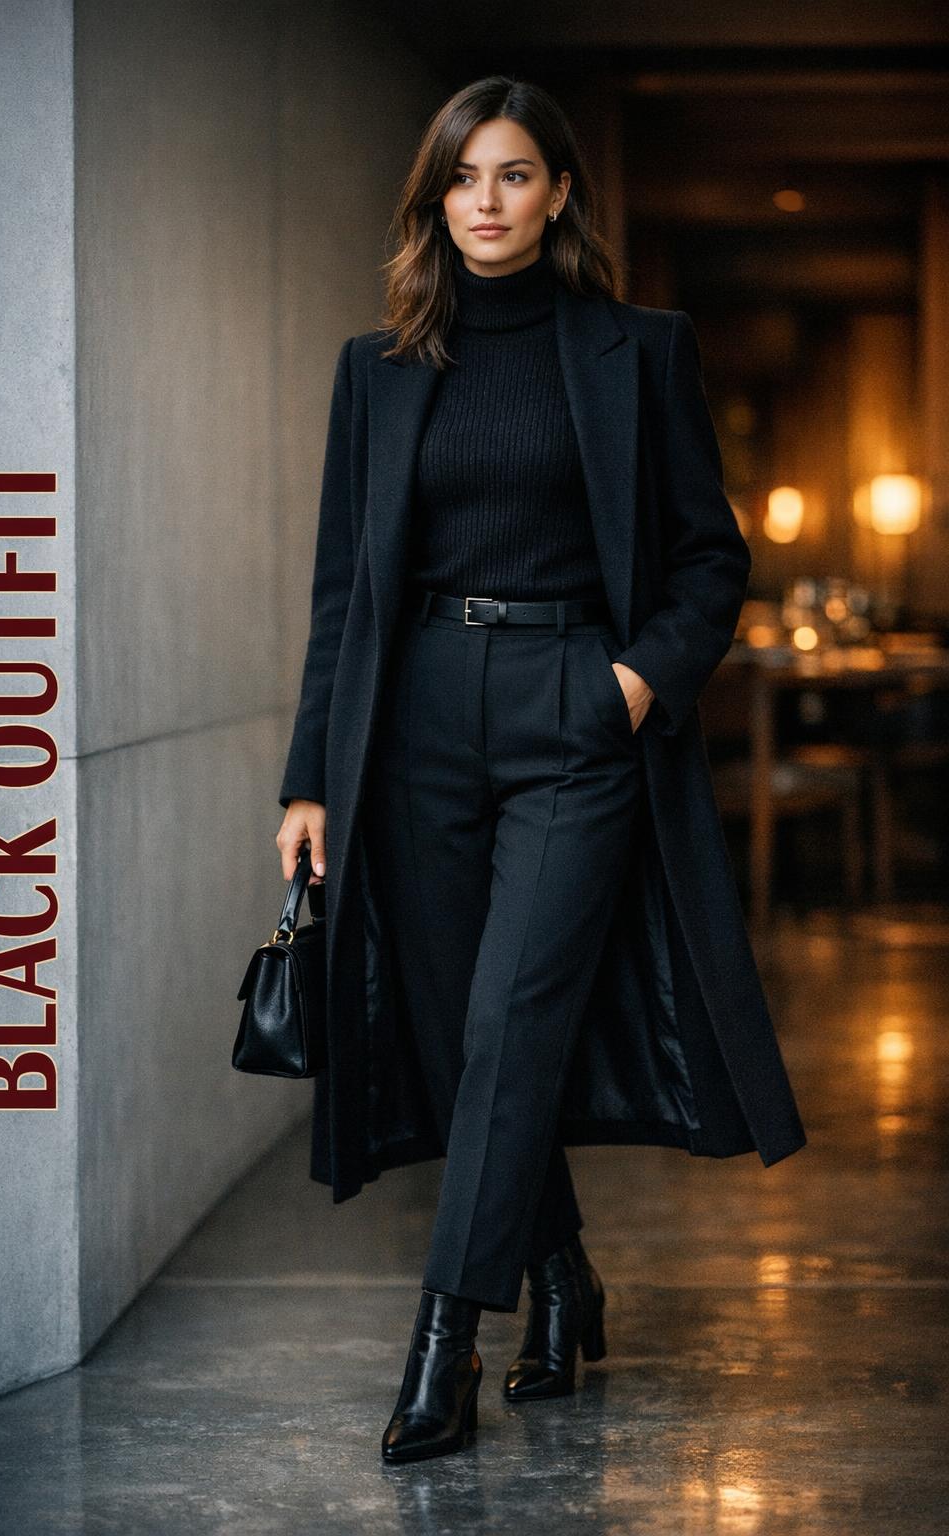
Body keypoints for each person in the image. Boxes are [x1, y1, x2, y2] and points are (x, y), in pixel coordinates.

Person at [275, 75, 806, 1466]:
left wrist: (630, 684)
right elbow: (344, 591)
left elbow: (711, 559)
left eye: (513, 174)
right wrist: (309, 777)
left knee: (515, 1017)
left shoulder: (641, 350)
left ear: (561, 192)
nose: (487, 202)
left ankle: (447, 1335)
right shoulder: (377, 370)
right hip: (415, 725)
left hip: (577, 711)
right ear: (435, 199)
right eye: (463, 178)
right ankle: (562, 1277)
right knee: (471, 1036)